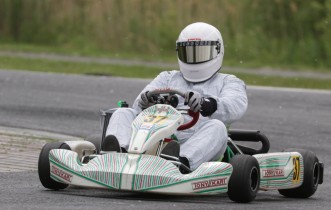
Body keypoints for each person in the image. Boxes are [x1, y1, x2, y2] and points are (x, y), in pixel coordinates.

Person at [104, 22, 248, 172]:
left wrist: (208, 104)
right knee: (122, 112)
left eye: (200, 53)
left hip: (198, 141)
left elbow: (236, 105)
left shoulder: (228, 81)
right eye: (189, 53)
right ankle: (117, 155)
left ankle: (179, 163)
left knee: (217, 127)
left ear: (218, 50)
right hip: (155, 136)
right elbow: (138, 104)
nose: (194, 59)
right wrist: (145, 101)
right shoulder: (167, 77)